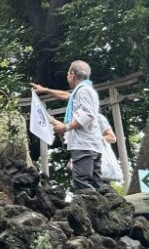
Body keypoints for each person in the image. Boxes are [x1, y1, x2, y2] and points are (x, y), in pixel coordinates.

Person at [32, 60, 104, 192]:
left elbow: (88, 116)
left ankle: (90, 210)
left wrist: (66, 127)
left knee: (83, 184)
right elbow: (67, 96)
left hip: (84, 145)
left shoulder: (83, 92)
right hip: (92, 145)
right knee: (97, 185)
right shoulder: (84, 91)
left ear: (72, 74)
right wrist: (45, 90)